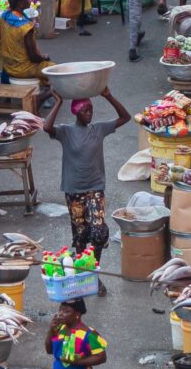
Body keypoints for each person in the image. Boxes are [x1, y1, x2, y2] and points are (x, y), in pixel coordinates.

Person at [47, 93, 134, 257]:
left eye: (91, 110)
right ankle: (82, 266)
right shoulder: (66, 131)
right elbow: (47, 127)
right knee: (80, 235)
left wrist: (108, 96)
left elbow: (125, 117)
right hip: (73, 190)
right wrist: (58, 102)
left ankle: (95, 265)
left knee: (99, 232)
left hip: (95, 188)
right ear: (76, 112)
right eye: (85, 111)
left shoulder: (98, 129)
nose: (89, 114)